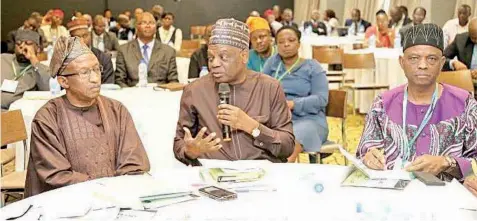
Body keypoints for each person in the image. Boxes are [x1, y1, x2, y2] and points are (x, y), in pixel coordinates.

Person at [25, 36, 150, 197]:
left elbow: (134, 162)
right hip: (68, 204)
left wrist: (118, 192)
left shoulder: (116, 110)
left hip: (117, 199)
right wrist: (103, 189)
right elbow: (56, 175)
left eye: (97, 69)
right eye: (85, 72)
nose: (95, 79)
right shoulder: (48, 118)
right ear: (64, 81)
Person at [357, 23, 477, 181]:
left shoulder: (465, 104)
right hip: (391, 195)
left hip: (447, 198)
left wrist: (447, 163)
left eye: (431, 59)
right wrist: (369, 156)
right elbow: (363, 153)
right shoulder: (382, 104)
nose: (422, 65)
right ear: (402, 62)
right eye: (414, 58)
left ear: (441, 63)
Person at [173, 18, 295, 166]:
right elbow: (179, 143)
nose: (215, 64)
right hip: (213, 175)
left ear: (244, 56)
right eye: (210, 58)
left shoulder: (269, 87)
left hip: (262, 174)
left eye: (223, 57)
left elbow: (287, 146)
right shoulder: (194, 90)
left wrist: (253, 127)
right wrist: (189, 151)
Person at [263, 26, 328, 153]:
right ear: (276, 46)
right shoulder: (272, 64)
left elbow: (321, 99)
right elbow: (260, 90)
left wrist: (292, 104)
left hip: (309, 120)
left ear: (299, 44)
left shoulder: (312, 66)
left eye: (291, 40)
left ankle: (282, 172)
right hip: (277, 120)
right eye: (281, 42)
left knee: (291, 136)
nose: (286, 44)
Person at [115, 12, 177, 87]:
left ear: (156, 28)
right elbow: (119, 80)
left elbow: (173, 81)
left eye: (151, 23)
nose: (148, 26)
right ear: (137, 26)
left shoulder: (168, 51)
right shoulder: (124, 50)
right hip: (131, 95)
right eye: (144, 23)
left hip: (160, 95)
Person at [1, 30, 50, 110]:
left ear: (37, 48)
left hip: (13, 114)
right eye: (18, 43)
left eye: (28, 43)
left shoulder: (41, 69)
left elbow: (49, 90)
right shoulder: (3, 59)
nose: (22, 46)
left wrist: (33, 60)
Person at [67, 19, 114, 84]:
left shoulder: (104, 58)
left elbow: (108, 86)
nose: (82, 41)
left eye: (85, 36)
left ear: (90, 35)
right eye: (77, 38)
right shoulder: (65, 60)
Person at [442, 18, 477, 96]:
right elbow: (440, 58)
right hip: (464, 86)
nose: (476, 41)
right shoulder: (460, 39)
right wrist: (453, 63)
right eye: (473, 38)